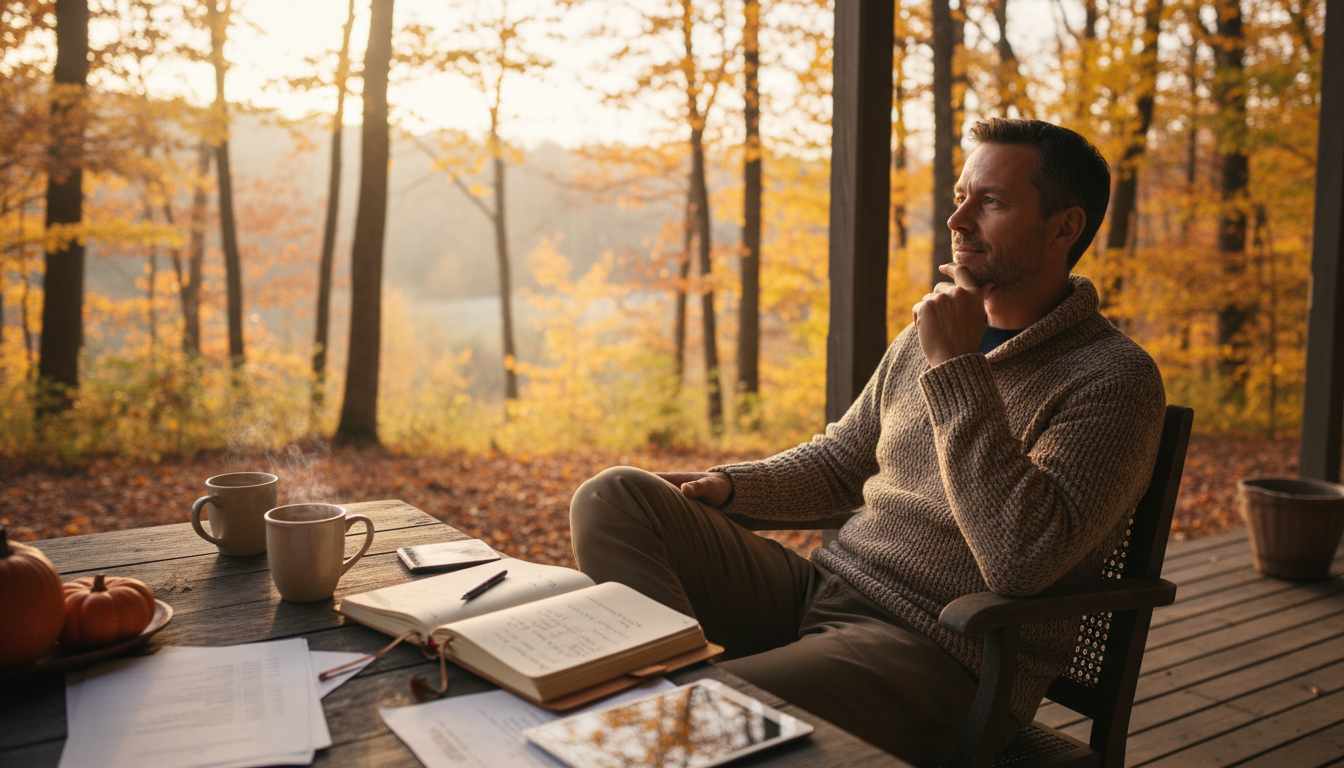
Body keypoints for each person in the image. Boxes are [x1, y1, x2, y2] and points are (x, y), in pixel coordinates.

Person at [568, 118, 1165, 765]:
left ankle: (684, 707)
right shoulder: (930, 333)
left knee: (700, 714)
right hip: (822, 591)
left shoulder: (1112, 378)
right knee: (615, 496)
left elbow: (1021, 559)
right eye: (960, 197)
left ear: (1063, 227)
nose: (957, 220)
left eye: (990, 202)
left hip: (938, 654)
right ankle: (682, 694)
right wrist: (732, 485)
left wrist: (955, 367)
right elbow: (840, 462)